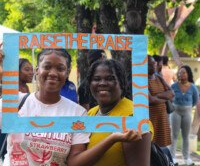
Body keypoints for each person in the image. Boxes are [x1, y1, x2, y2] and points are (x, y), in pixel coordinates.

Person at [0, 48, 140, 166]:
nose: (53, 73)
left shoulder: (78, 113)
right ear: (37, 70)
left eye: (60, 68)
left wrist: (112, 138)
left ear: (67, 73)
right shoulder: (15, 102)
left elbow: (74, 161)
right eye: (47, 67)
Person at [85, 59, 151, 166]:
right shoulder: (91, 113)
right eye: (96, 79)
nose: (102, 83)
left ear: (121, 82)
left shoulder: (134, 116)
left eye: (110, 78)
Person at [170, 65, 199, 165]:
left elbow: (195, 100)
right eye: (179, 72)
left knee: (185, 136)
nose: (180, 74)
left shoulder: (193, 87)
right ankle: (172, 157)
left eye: (183, 72)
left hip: (187, 113)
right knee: (174, 135)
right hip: (175, 112)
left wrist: (188, 107)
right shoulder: (173, 86)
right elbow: (169, 98)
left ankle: (186, 158)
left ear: (188, 74)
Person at [148, 55, 174, 147]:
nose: (154, 66)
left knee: (162, 146)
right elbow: (150, 100)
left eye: (154, 63)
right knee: (151, 145)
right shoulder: (142, 80)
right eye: (151, 64)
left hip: (162, 117)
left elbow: (171, 93)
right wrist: (165, 97)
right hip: (151, 118)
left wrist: (157, 96)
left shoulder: (159, 78)